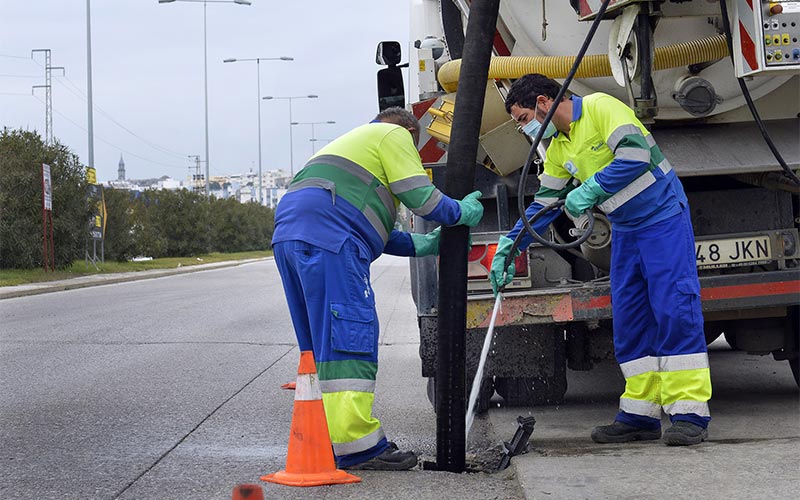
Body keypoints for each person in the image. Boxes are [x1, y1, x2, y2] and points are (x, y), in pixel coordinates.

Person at [490, 74, 711, 446]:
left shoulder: (600, 108)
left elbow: (635, 155)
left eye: (522, 117)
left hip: (662, 220)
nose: (522, 127)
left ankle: (689, 414)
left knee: (674, 308)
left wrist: (590, 188)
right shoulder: (559, 149)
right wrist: (509, 248)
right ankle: (639, 416)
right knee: (629, 317)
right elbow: (542, 208)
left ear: (544, 102)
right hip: (626, 229)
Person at [272, 107, 484, 470]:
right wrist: (459, 212)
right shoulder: (394, 136)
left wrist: (422, 245)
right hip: (331, 240)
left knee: (319, 343)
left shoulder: (348, 147)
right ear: (408, 133)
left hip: (290, 237)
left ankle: (323, 433)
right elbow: (422, 197)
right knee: (349, 336)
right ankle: (358, 447)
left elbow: (370, 225)